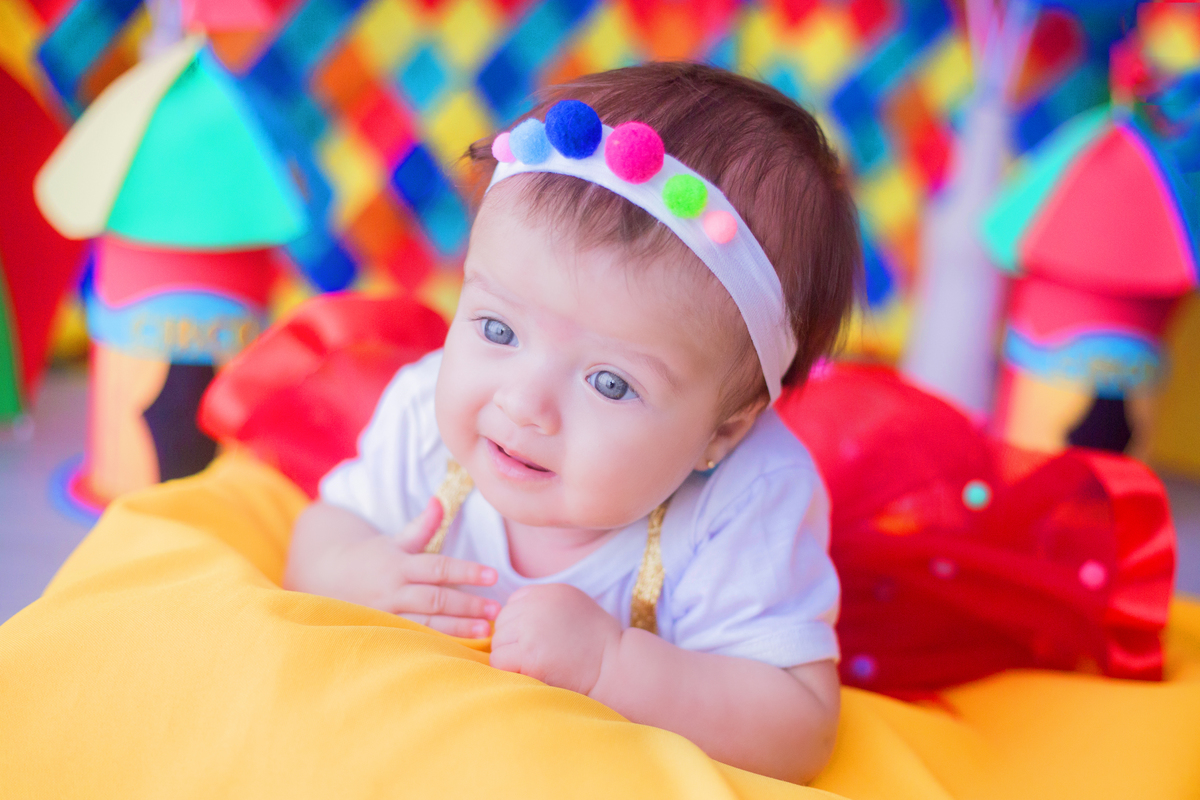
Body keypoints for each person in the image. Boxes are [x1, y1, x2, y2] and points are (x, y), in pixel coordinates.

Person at [283, 63, 860, 783]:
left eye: (610, 383)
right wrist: (354, 571)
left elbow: (799, 726)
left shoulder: (746, 501)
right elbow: (324, 529)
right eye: (497, 329)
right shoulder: (425, 416)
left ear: (723, 431)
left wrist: (612, 666)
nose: (524, 404)